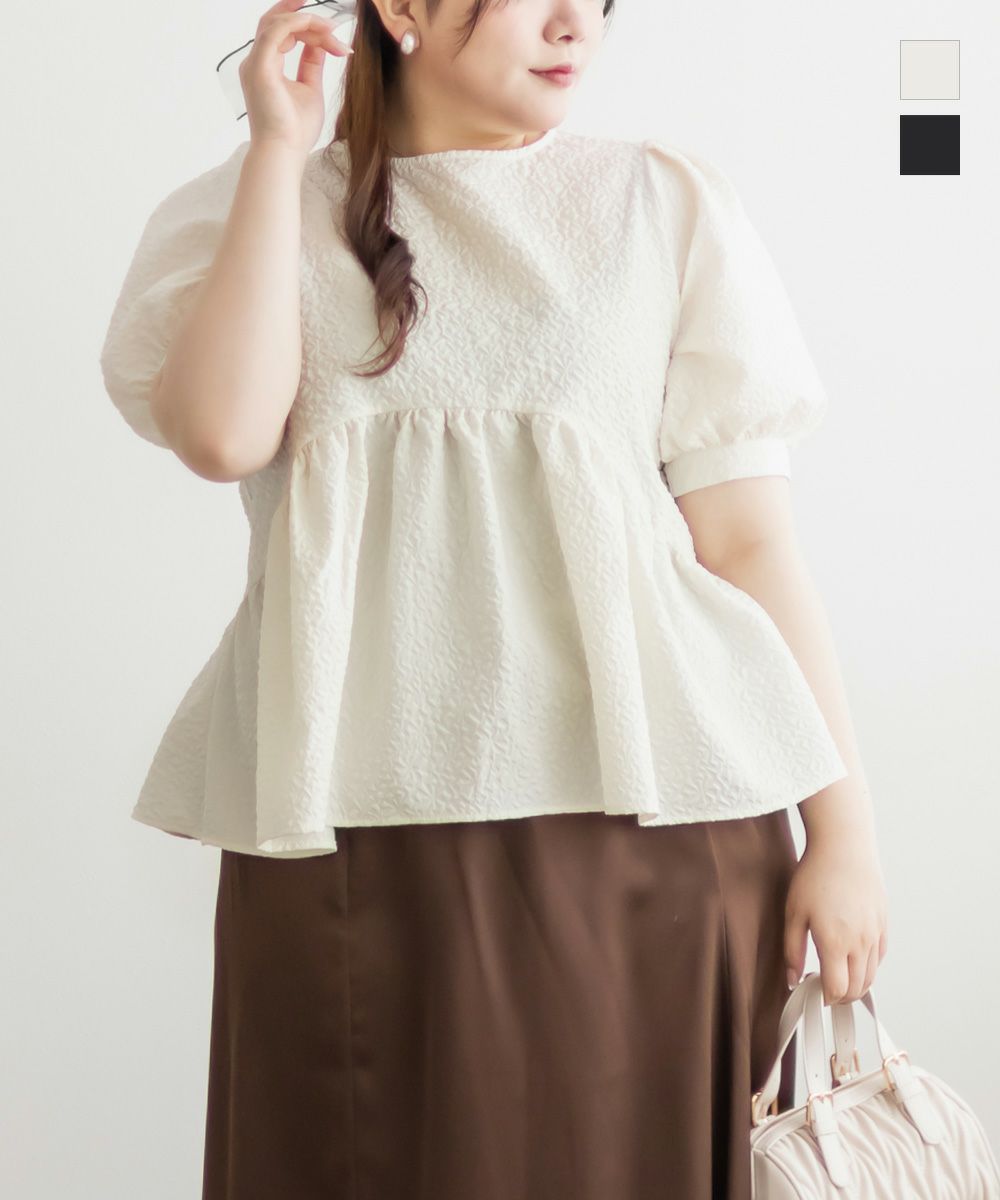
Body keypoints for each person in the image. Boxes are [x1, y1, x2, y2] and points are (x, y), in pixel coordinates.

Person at [98, 1, 890, 1196]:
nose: (576, 24)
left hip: (655, 833)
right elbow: (220, 434)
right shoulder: (259, 206)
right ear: (402, 9)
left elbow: (748, 544)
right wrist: (276, 149)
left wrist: (845, 834)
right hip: (354, 838)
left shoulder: (660, 203)